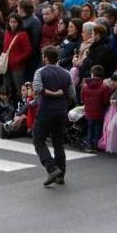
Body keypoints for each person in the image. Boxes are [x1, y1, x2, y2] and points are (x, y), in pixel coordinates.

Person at [32, 46, 74, 186]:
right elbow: (72, 94)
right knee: (58, 142)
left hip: (46, 110)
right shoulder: (66, 73)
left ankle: (51, 168)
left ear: (46, 57)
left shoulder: (40, 72)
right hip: (61, 111)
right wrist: (61, 98)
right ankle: (61, 174)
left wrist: (52, 94)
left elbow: (38, 88)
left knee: (38, 140)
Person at [80, 65, 111, 152]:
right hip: (100, 111)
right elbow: (105, 101)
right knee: (98, 128)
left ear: (92, 74)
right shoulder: (105, 87)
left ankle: (89, 145)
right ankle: (96, 145)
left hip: (89, 110)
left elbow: (82, 99)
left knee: (90, 128)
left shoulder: (85, 86)